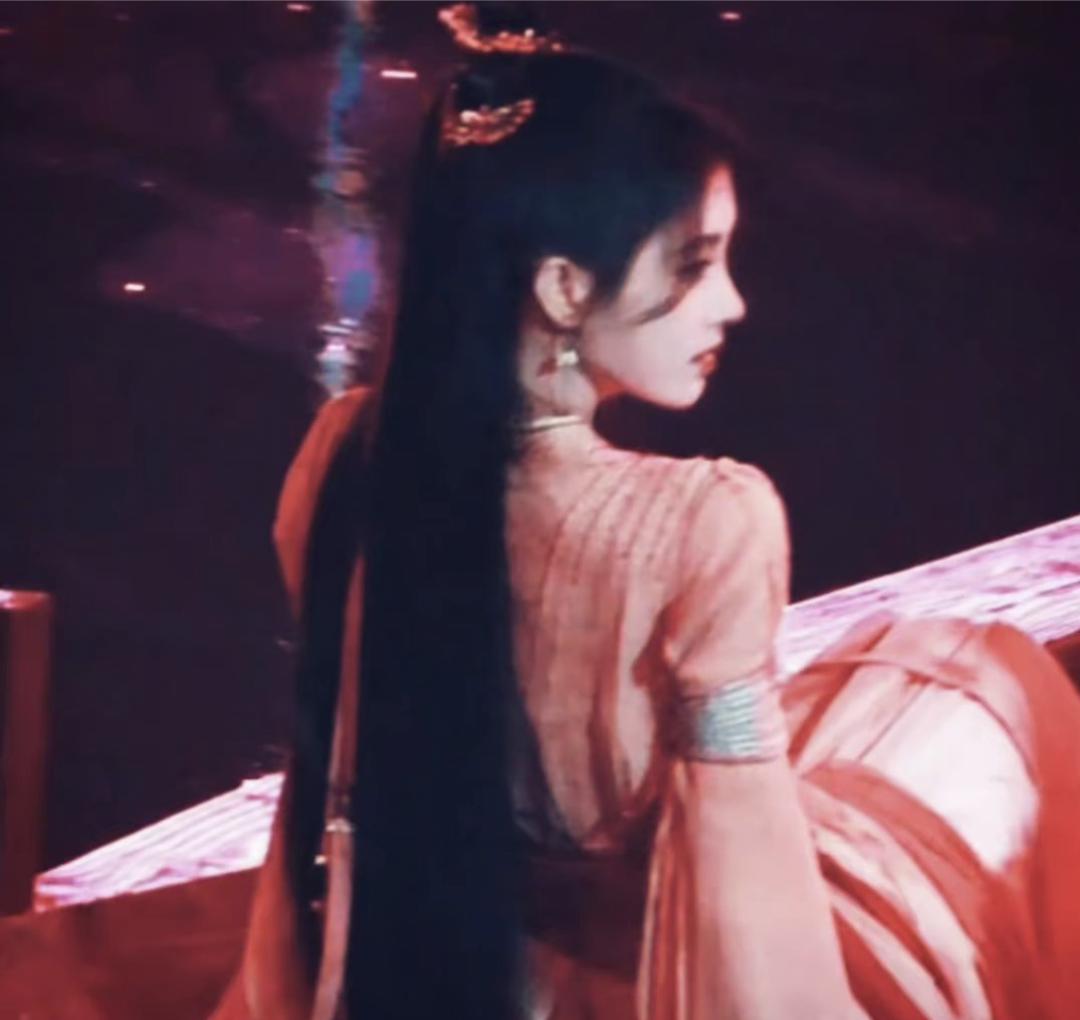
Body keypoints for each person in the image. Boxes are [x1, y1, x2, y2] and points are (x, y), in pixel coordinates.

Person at [210, 4, 1080, 1018]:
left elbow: (329, 790)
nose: (732, 305)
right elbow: (742, 907)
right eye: (695, 265)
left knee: (938, 689)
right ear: (564, 288)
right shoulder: (705, 522)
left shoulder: (350, 455)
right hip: (642, 980)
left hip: (427, 969)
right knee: (986, 714)